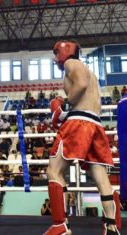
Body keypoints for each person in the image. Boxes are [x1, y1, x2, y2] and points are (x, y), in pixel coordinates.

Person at [44, 40, 121, 235]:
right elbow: (92, 95)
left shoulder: (72, 64)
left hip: (78, 122)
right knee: (101, 177)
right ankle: (112, 227)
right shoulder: (92, 73)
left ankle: (60, 225)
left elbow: (81, 84)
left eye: (55, 53)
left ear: (63, 51)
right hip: (95, 123)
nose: (55, 58)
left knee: (54, 171)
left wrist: (65, 106)